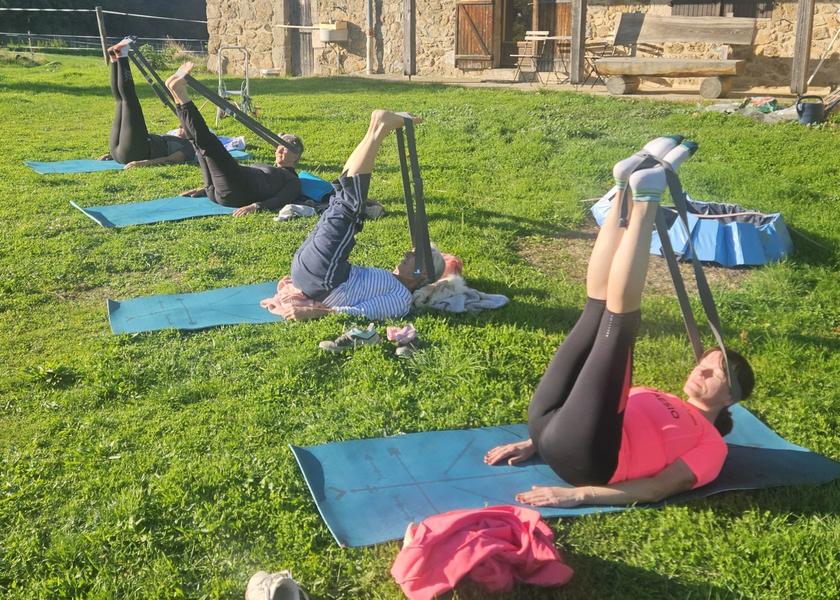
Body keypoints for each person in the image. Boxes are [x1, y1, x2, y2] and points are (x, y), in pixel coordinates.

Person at [484, 137, 755, 507]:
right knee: (596, 309)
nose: (700, 372)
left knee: (618, 325)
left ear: (730, 398)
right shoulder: (650, 393)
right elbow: (589, 409)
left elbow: (659, 487)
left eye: (714, 374)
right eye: (704, 364)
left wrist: (580, 495)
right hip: (547, 425)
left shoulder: (710, 447)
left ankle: (646, 199)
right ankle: (624, 187)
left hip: (587, 462)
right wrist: (534, 442)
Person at [259, 109, 445, 321]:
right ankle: (376, 126)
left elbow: (364, 312)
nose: (406, 254)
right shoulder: (392, 281)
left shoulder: (401, 299)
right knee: (340, 198)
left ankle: (380, 127)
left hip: (323, 280)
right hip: (317, 273)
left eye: (414, 255)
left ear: (424, 275)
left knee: (348, 205)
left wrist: (315, 312)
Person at [165, 62, 302, 217]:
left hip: (237, 192)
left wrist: (256, 206)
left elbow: (281, 199)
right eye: (280, 146)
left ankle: (180, 93)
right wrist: (205, 190)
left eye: (286, 148)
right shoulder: (275, 170)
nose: (280, 150)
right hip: (216, 190)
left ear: (296, 156)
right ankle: (176, 95)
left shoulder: (293, 180)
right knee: (196, 143)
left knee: (209, 144)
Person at [103, 37, 196, 169]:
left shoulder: (190, 148)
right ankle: (115, 58)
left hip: (136, 154)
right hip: (120, 151)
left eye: (184, 129)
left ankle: (122, 56)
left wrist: (143, 163)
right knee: (120, 102)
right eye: (181, 127)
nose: (180, 130)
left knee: (129, 102)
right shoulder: (172, 137)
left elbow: (172, 159)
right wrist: (111, 155)